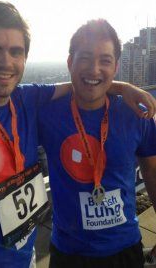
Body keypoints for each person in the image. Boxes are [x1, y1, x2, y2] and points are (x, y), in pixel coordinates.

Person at [0, 3, 156, 268]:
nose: (6, 62)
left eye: (16, 51)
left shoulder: (31, 101)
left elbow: (88, 84)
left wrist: (123, 88)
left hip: (39, 258)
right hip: (51, 254)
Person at [38, 19, 156, 268]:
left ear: (115, 66)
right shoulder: (46, 113)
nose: (94, 69)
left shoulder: (135, 113)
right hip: (68, 253)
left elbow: (153, 173)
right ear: (70, 62)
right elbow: (5, 99)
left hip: (124, 249)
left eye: (105, 60)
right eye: (85, 58)